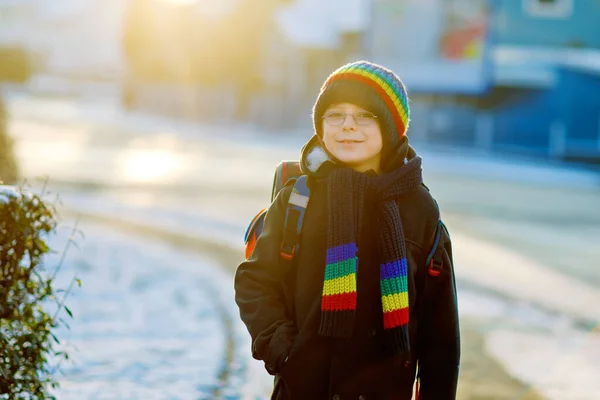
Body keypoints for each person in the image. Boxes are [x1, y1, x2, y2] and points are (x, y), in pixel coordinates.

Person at [234, 61, 460, 400]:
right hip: (303, 389)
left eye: (365, 116)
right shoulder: (298, 198)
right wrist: (283, 350)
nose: (348, 127)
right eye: (335, 115)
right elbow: (255, 282)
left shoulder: (419, 210)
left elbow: (439, 331)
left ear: (391, 127)